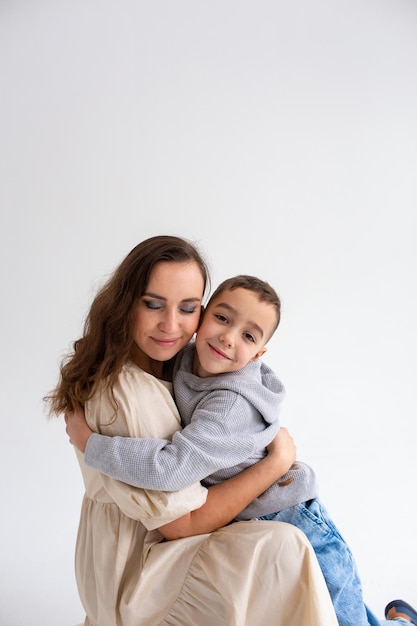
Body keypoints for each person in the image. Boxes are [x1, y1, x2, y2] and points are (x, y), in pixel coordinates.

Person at [67, 272, 416, 626]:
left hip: (290, 513)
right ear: (201, 318)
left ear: (258, 354)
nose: (228, 337)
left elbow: (170, 468)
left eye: (248, 335)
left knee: (343, 616)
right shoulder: (186, 358)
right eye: (222, 318)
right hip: (246, 511)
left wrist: (90, 444)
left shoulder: (230, 406)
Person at [46, 235, 340, 626]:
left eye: (187, 308)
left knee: (333, 591)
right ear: (125, 303)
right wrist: (276, 464)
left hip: (139, 546)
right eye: (153, 304)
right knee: (285, 550)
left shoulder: (176, 364)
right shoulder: (129, 393)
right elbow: (180, 524)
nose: (171, 325)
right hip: (140, 567)